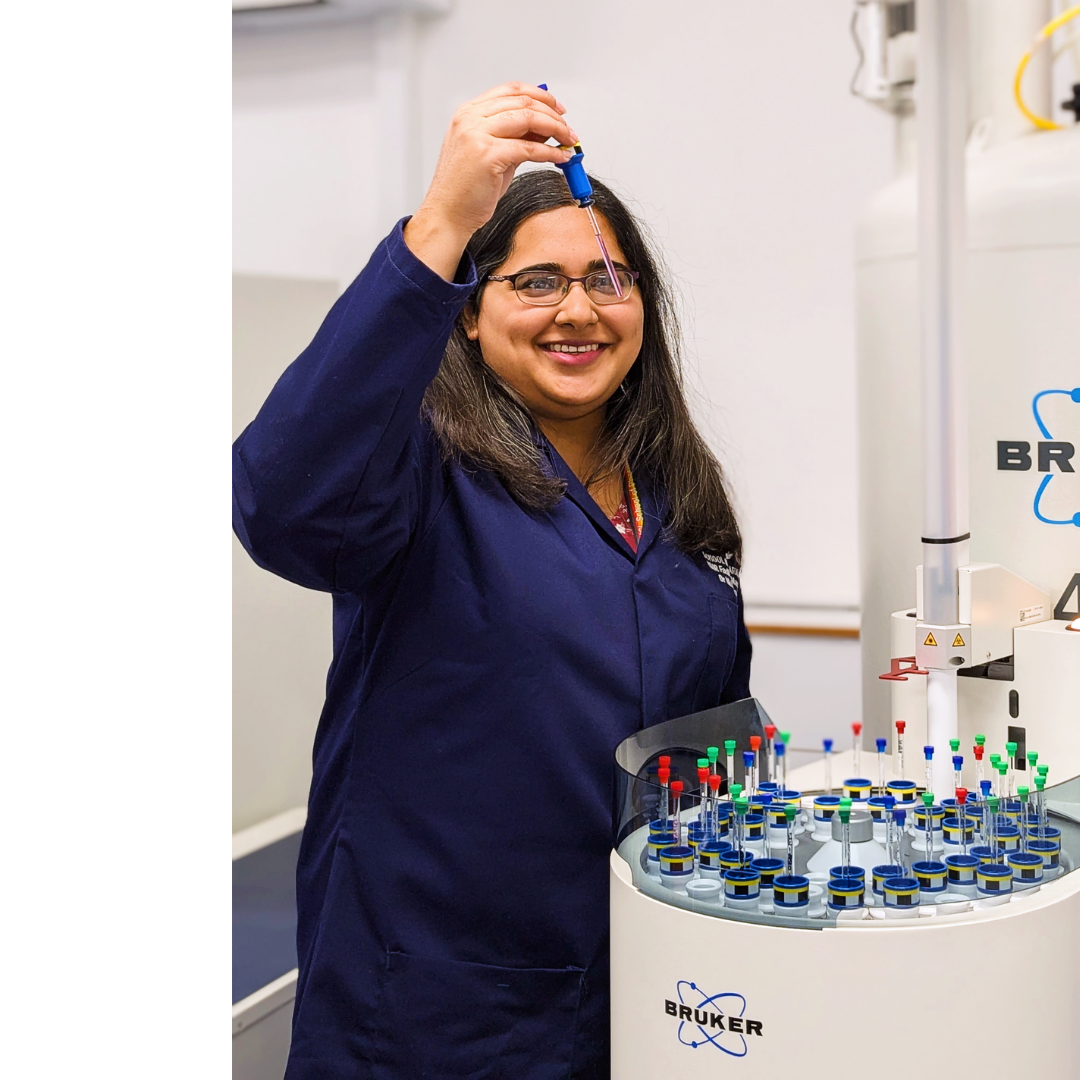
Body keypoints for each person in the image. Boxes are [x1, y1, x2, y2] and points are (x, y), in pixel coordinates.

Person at [232, 82, 751, 1079]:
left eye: (609, 279)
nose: (580, 310)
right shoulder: (419, 479)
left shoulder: (678, 504)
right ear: (466, 318)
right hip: (435, 1016)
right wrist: (442, 225)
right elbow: (280, 504)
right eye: (534, 282)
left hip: (645, 1002)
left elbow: (705, 739)